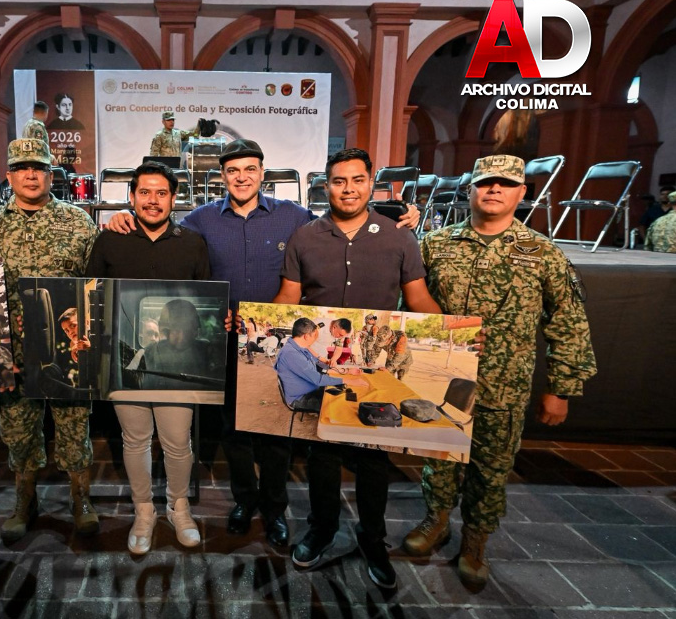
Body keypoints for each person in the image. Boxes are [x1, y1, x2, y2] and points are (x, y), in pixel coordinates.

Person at [107, 138, 421, 550]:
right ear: (221, 176)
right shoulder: (201, 220)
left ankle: (274, 510)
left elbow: (342, 220)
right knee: (234, 430)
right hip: (224, 342)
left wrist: (399, 213)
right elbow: (162, 226)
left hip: (275, 341)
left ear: (262, 172)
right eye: (233, 171)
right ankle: (244, 501)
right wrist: (121, 217)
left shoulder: (294, 216)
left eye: (250, 169)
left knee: (275, 433)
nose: (242, 177)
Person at [403, 154, 597, 591]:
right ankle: (436, 521)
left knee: (491, 469)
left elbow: (568, 321)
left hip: (503, 384)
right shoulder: (436, 244)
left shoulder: (543, 253)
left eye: (506, 184)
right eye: (486, 182)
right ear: (470, 189)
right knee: (439, 459)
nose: (494, 189)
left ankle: (475, 542)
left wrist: (562, 388)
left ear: (521, 193)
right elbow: (409, 309)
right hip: (443, 377)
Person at [274, 147, 441, 589]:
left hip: (373, 370)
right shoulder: (304, 237)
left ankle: (372, 538)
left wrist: (458, 337)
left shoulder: (399, 238)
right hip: (328, 366)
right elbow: (288, 298)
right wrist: (250, 323)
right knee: (322, 455)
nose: (348, 189)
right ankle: (322, 529)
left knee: (372, 459)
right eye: (338, 181)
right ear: (325, 186)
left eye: (357, 180)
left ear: (371, 184)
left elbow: (419, 299)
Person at [0, 137, 100, 542]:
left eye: (38, 167)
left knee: (74, 424)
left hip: (65, 346)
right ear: (8, 176)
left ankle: (81, 498)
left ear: (50, 175)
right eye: (22, 168)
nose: (30, 174)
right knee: (18, 429)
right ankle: (25, 499)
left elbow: (95, 285)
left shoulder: (78, 223)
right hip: (9, 351)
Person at [85, 161, 211, 555]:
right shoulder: (109, 240)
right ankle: (144, 511)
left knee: (177, 441)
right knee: (135, 440)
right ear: (132, 196)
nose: (152, 200)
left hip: (179, 367)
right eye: (144, 192)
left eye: (161, 193)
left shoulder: (193, 243)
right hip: (125, 363)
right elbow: (91, 296)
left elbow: (206, 299)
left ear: (173, 199)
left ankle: (178, 507)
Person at [276, 318, 347, 412]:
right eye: (314, 336)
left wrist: (342, 371)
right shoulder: (292, 353)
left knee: (342, 393)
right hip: (300, 397)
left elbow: (318, 365)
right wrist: (346, 380)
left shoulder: (299, 347)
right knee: (340, 406)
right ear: (306, 336)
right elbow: (318, 379)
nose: (315, 339)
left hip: (310, 388)